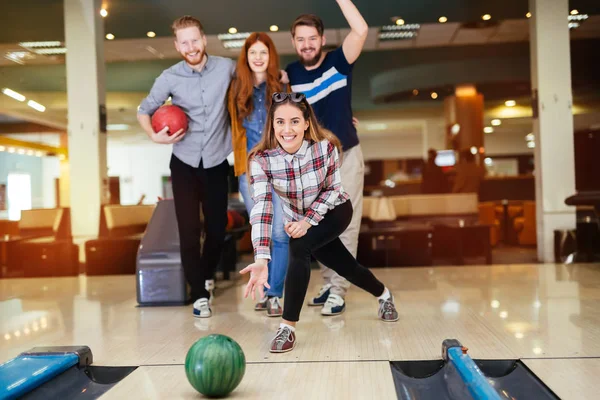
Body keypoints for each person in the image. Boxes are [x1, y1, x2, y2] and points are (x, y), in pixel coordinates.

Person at [240, 92, 399, 353]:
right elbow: (262, 209)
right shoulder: (261, 160)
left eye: (294, 121)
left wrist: (306, 221)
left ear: (306, 123)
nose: (287, 129)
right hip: (301, 222)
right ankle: (384, 295)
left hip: (334, 210)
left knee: (299, 247)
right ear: (272, 125)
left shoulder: (324, 147)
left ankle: (287, 328)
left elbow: (333, 190)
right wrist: (261, 257)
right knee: (347, 267)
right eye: (280, 122)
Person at [137, 16, 235, 318]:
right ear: (177, 46)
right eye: (184, 42)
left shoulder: (226, 67)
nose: (191, 46)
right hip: (184, 163)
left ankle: (205, 275)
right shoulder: (169, 77)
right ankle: (199, 294)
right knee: (189, 231)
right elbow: (144, 109)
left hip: (218, 160)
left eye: (195, 40)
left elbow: (257, 78)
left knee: (218, 231)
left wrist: (279, 77)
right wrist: (154, 135)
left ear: (204, 40)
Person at [285, 0, 368, 316]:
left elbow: (360, 29)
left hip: (346, 155)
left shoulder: (339, 61)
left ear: (322, 39)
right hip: (314, 164)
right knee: (317, 226)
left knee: (346, 224)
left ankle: (339, 290)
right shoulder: (291, 74)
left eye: (312, 38)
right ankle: (330, 280)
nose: (307, 45)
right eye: (300, 39)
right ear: (294, 42)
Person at [227, 33, 289, 317]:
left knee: (279, 232)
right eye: (253, 53)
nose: (258, 58)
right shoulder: (236, 88)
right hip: (249, 171)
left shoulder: (282, 85)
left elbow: (298, 120)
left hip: (280, 168)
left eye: (263, 52)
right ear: (246, 57)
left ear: (270, 56)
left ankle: (275, 294)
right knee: (260, 233)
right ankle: (266, 290)